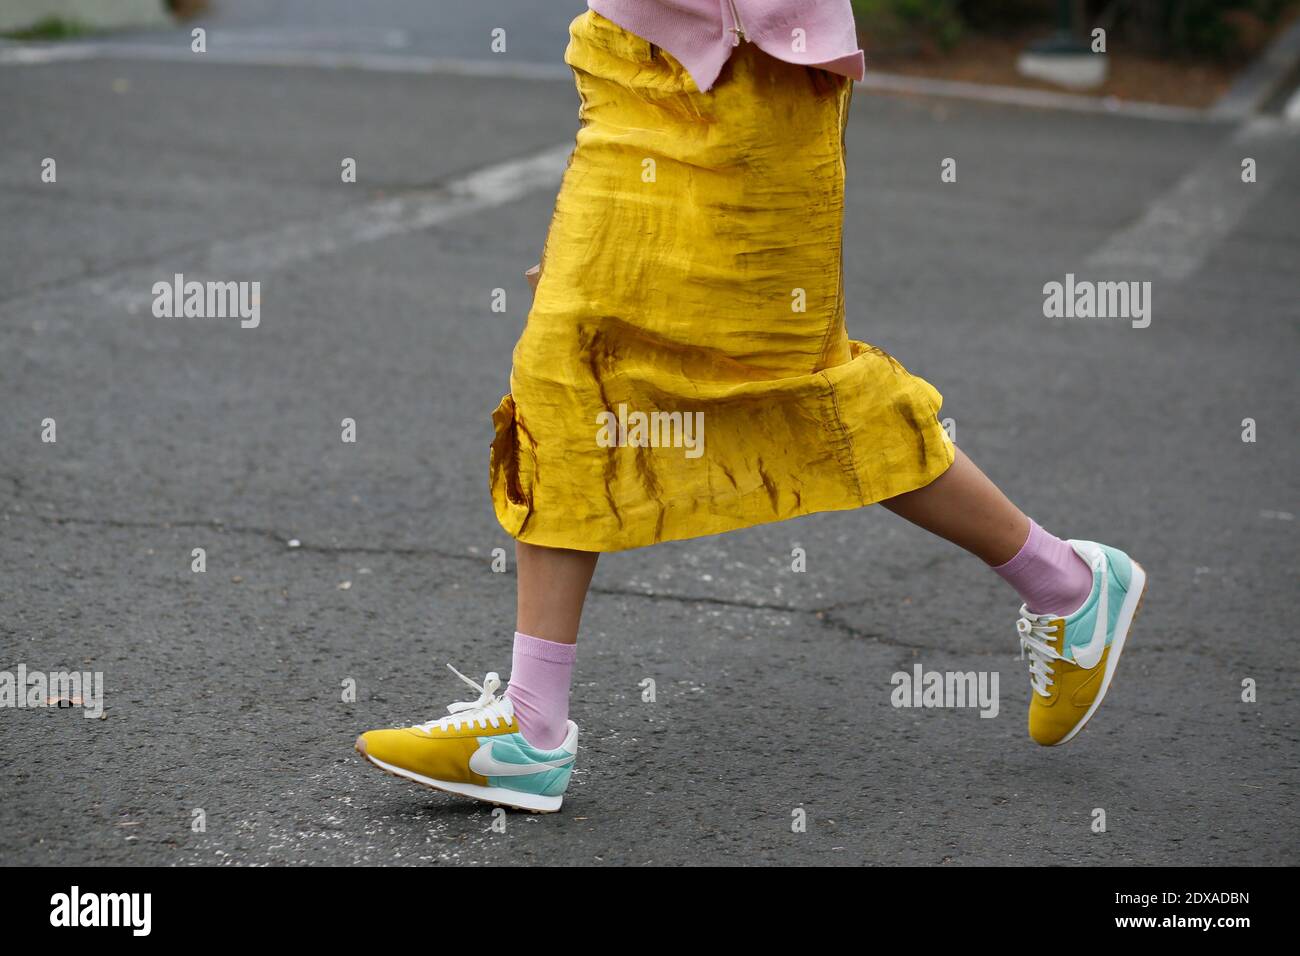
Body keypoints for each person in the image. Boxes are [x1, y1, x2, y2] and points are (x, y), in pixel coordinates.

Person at [355, 1, 1146, 813]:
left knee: (792, 391)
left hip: (758, 79)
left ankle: (1065, 582)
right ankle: (530, 725)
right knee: (567, 364)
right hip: (633, 56)